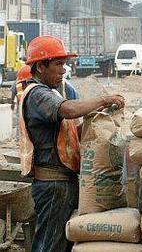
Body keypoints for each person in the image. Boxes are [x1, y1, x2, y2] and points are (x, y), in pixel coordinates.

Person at [19, 35, 125, 252]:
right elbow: (69, 110)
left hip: (62, 182)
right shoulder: (38, 94)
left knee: (60, 244)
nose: (63, 70)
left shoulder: (49, 93)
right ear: (40, 66)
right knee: (50, 245)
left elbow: (68, 133)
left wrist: (95, 121)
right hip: (53, 184)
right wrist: (103, 99)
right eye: (58, 64)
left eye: (64, 64)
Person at [11, 65, 32, 141]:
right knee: (20, 123)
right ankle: (19, 139)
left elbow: (13, 94)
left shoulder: (29, 84)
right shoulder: (18, 83)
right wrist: (12, 104)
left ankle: (20, 139)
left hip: (25, 107)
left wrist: (12, 104)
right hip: (22, 107)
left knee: (22, 123)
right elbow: (13, 93)